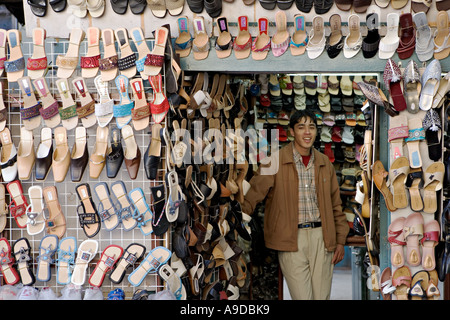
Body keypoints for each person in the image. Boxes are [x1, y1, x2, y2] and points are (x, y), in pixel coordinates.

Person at [241, 109, 349, 300]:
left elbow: (336, 206)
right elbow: (254, 194)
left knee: (322, 297)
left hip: (322, 239)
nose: (307, 132)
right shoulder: (275, 161)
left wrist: (340, 240)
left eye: (312, 127)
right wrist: (238, 221)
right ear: (292, 132)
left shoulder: (325, 163)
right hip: (291, 239)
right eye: (301, 127)